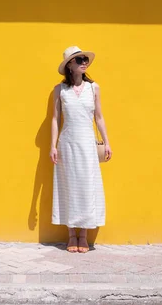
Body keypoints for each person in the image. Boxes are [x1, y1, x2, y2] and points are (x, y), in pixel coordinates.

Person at [50, 46, 112, 253]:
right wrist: (52, 145)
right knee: (68, 186)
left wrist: (107, 142)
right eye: (79, 60)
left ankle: (83, 235)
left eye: (85, 59)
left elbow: (99, 117)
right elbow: (55, 119)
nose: (84, 62)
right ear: (69, 65)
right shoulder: (60, 90)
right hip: (67, 143)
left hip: (87, 142)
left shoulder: (94, 88)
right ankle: (70, 236)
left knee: (87, 186)